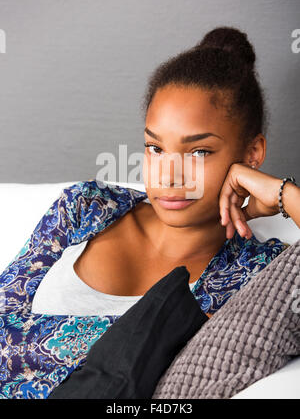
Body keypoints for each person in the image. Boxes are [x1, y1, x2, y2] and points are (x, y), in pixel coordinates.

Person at [0, 26, 299, 399]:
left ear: (252, 153)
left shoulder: (251, 272)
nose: (168, 176)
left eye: (199, 152)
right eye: (155, 148)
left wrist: (285, 194)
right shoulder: (87, 207)